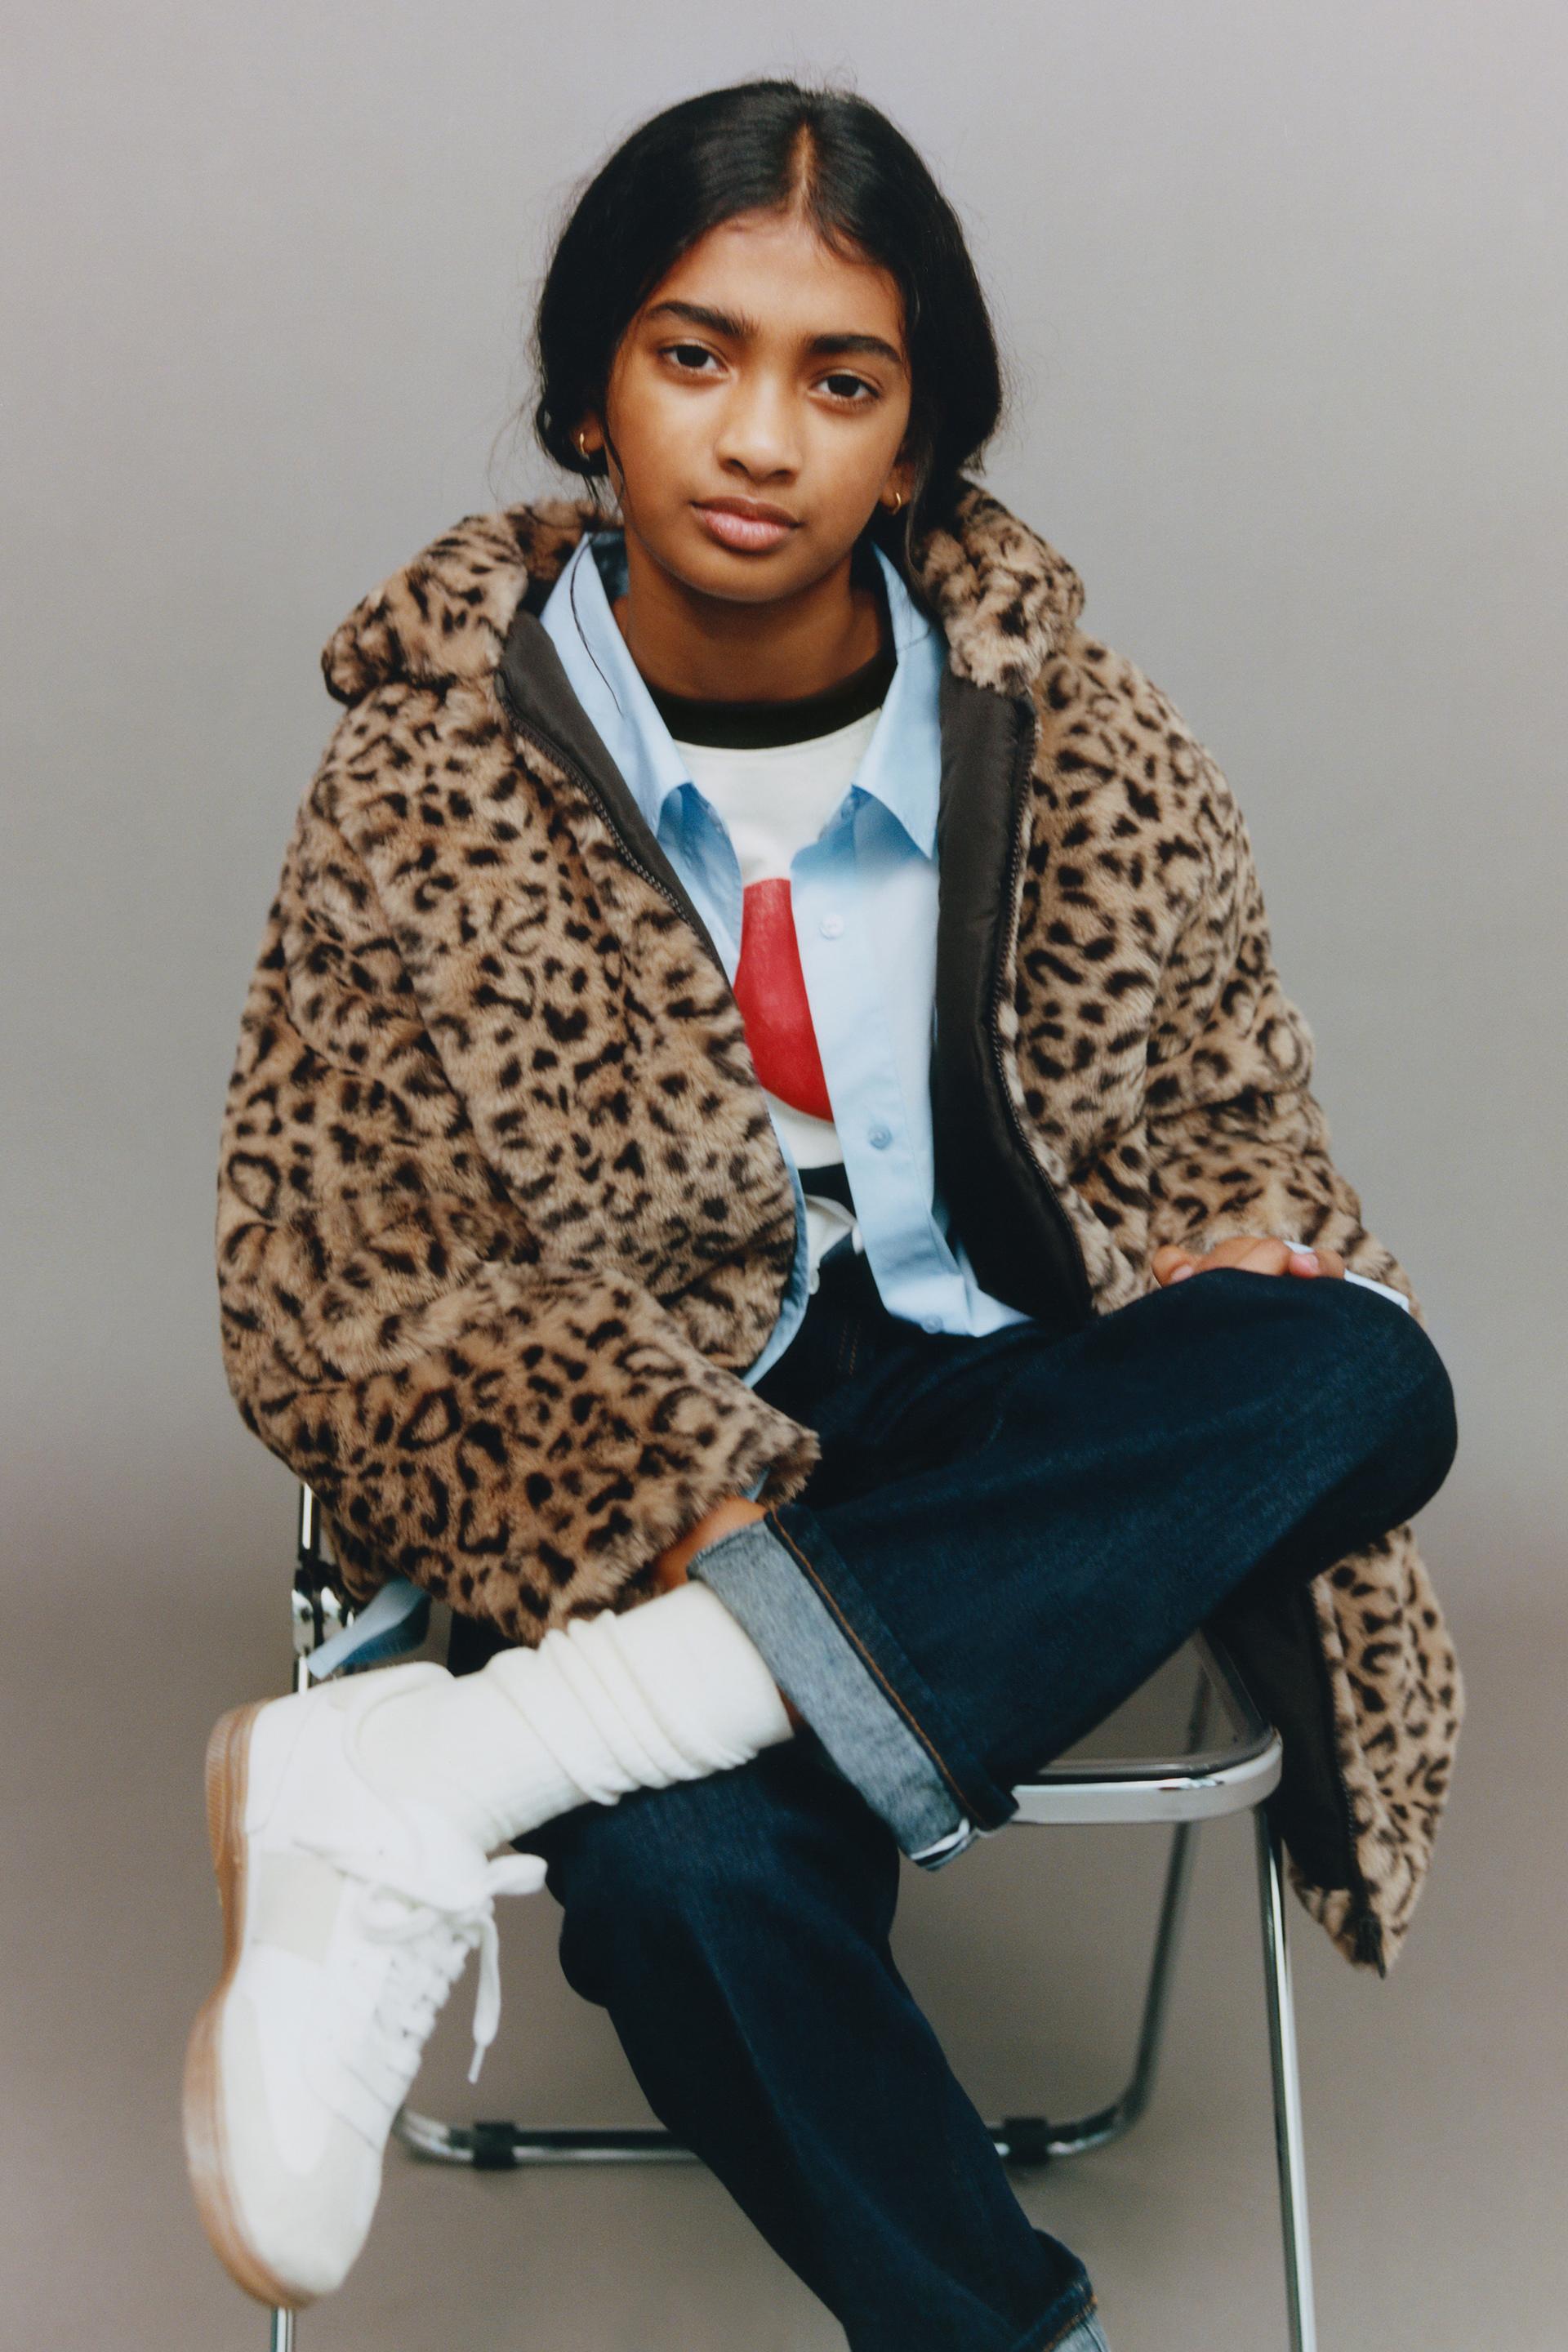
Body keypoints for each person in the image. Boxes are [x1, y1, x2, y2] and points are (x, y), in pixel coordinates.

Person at [184, 77, 1461, 2350]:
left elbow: (1230, 1117)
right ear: (591, 391)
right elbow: (343, 1295)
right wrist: (669, 1495)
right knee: (684, 1878)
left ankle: (468, 1756)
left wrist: (1220, 1242)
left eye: (840, 380)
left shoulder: (1086, 742)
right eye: (697, 356)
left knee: (1360, 1366)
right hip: (645, 1442)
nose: (760, 437)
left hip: (1006, 1411)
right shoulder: (420, 783)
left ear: (918, 441)